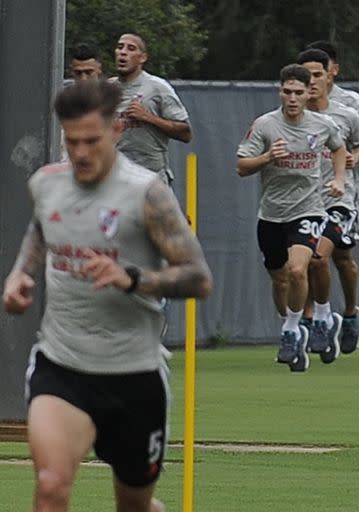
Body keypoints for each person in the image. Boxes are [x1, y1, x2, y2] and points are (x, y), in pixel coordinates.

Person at [2, 80, 213, 512]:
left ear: (116, 130)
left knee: (134, 506)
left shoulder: (147, 193)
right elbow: (41, 230)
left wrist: (133, 278)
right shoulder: (48, 184)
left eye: (92, 141)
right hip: (62, 365)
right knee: (51, 486)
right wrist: (20, 275)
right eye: (72, 141)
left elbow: (198, 278)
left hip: (133, 374)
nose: (80, 153)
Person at [236, 64, 346, 372]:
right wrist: (268, 157)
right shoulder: (265, 126)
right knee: (280, 279)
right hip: (271, 214)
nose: (293, 98)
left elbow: (339, 149)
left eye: (299, 92)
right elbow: (242, 166)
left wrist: (338, 179)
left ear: (308, 92)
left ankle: (292, 329)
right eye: (288, 92)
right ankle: (292, 330)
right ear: (279, 91)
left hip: (308, 208)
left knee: (299, 270)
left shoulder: (321, 125)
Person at [296, 49, 359, 359]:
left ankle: (350, 312)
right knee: (313, 260)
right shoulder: (292, 112)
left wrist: (354, 158)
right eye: (306, 75)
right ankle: (316, 318)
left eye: (317, 74)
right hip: (304, 200)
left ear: (331, 74)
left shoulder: (347, 109)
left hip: (341, 199)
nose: (312, 81)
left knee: (340, 259)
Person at [112, 33, 192, 186]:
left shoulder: (157, 87)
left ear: (142, 57)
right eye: (120, 47)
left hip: (150, 177)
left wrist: (147, 117)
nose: (123, 52)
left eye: (131, 48)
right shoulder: (107, 90)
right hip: (116, 179)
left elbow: (186, 133)